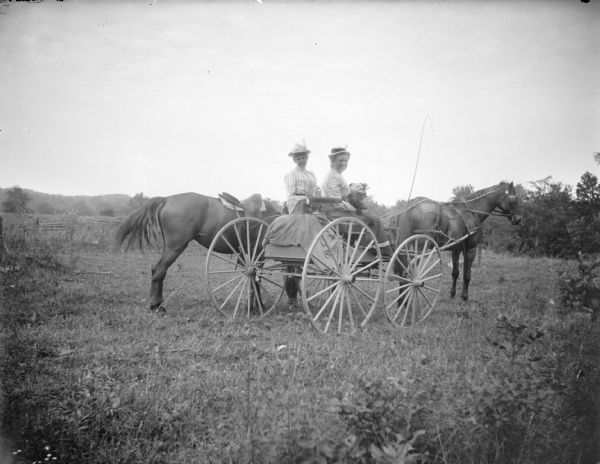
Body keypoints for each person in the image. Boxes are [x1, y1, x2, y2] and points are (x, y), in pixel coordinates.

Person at [321, 146, 393, 257]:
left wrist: (357, 206)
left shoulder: (337, 175)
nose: (344, 163)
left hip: (336, 211)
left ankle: (374, 246)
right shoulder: (333, 177)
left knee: (369, 216)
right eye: (341, 160)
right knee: (375, 220)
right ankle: (382, 249)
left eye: (345, 161)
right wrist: (352, 208)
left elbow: (346, 194)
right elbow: (336, 202)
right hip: (335, 213)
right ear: (333, 161)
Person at [283, 143, 321, 215]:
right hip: (297, 201)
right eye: (298, 159)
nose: (301, 160)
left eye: (303, 158)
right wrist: (305, 198)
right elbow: (291, 193)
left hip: (311, 200)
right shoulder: (292, 174)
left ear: (307, 158)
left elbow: (315, 188)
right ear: (294, 160)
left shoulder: (311, 173)